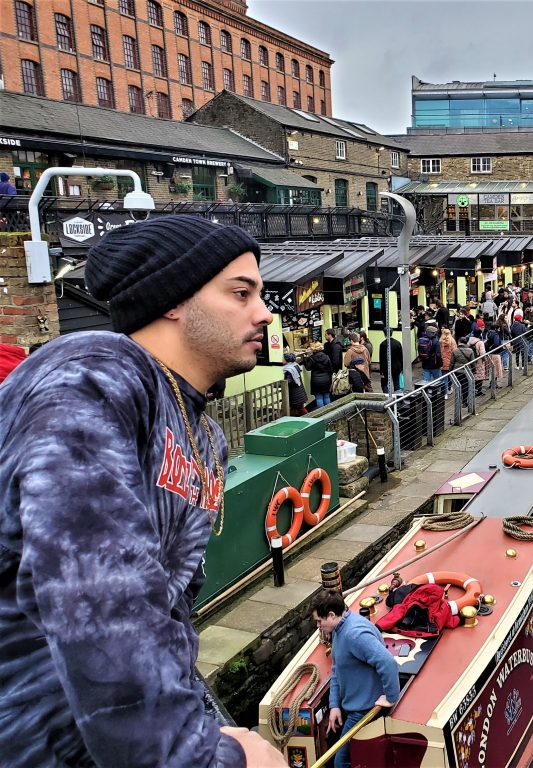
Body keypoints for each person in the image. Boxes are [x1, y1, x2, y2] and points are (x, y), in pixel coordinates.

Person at [0, 214, 286, 767]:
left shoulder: (204, 437)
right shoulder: (93, 372)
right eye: (241, 293)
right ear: (174, 300)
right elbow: (98, 590)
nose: (264, 313)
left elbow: (167, 610)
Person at [311, 591, 399, 768]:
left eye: (319, 621)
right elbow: (337, 669)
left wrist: (390, 697)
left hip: (363, 710)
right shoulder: (337, 630)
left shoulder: (354, 635)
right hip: (350, 706)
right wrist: (335, 705)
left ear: (331, 615)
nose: (318, 626)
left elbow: (387, 662)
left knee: (341, 762)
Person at [304, 340, 334, 409]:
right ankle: (329, 413)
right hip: (326, 380)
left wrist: (306, 358)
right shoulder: (326, 357)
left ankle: (322, 414)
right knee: (327, 396)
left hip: (316, 381)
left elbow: (308, 368)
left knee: (319, 398)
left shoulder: (312, 358)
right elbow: (331, 369)